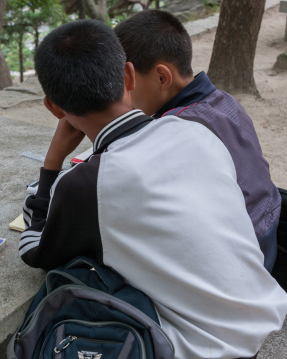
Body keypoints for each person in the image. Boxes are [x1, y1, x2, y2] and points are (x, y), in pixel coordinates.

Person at [20, 19, 287, 359]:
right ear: (129, 77)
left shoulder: (87, 184)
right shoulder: (194, 130)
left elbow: (34, 250)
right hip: (263, 308)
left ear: (54, 108)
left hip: (207, 347)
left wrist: (53, 159)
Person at [114, 10, 280, 272]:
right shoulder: (224, 100)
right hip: (268, 234)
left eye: (126, 82)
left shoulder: (177, 130)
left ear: (162, 77)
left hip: (239, 261)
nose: (123, 94)